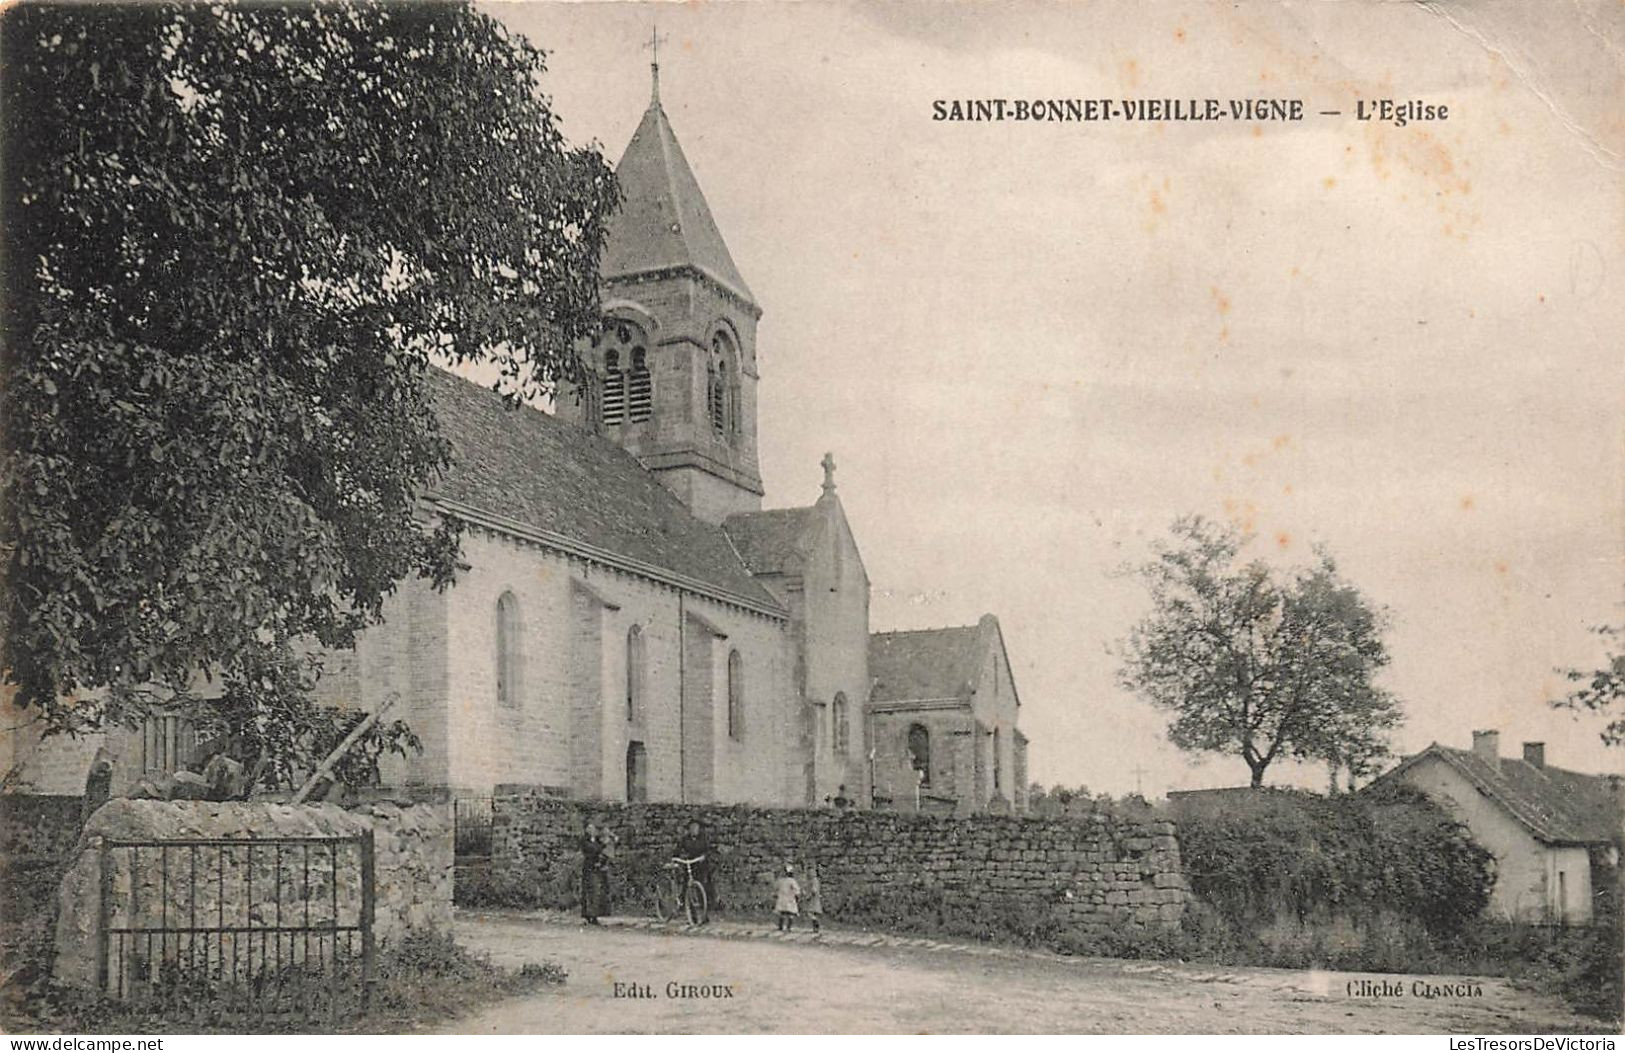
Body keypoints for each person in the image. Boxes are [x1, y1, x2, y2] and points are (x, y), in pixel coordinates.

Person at [675, 819, 716, 912]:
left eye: (696, 827)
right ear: (689, 829)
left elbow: (708, 850)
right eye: (692, 828)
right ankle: (683, 903)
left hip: (701, 865)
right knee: (686, 883)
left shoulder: (703, 839)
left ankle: (705, 906)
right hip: (689, 864)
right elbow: (678, 850)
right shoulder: (685, 839)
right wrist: (677, 858)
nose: (694, 830)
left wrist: (704, 856)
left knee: (704, 884)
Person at [579, 821, 610, 925]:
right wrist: (602, 846)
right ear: (586, 830)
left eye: (593, 829)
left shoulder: (596, 840)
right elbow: (592, 850)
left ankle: (595, 915)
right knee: (590, 891)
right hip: (589, 868)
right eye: (590, 828)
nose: (592, 830)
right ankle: (588, 915)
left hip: (598, 868)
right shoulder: (584, 840)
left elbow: (604, 849)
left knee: (598, 892)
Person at [774, 863, 801, 932]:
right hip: (786, 898)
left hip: (786, 898)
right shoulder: (785, 881)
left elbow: (796, 889)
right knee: (786, 912)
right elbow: (777, 888)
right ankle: (784, 926)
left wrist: (796, 895)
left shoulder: (787, 881)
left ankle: (785, 926)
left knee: (786, 912)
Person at [801, 859, 823, 933]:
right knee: (811, 912)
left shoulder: (814, 880)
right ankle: (815, 927)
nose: (809, 873)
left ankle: (816, 925)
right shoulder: (810, 881)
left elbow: (814, 890)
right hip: (812, 899)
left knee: (810, 913)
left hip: (813, 899)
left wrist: (808, 896)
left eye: (811, 872)